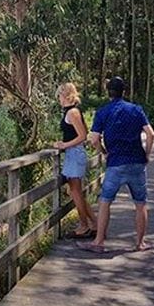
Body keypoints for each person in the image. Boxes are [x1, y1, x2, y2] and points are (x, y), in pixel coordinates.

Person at [77, 76, 154, 253]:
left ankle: (98, 242)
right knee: (141, 203)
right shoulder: (136, 110)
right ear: (124, 91)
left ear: (108, 92)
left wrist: (104, 152)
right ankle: (140, 243)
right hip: (137, 162)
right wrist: (147, 154)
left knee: (105, 202)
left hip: (115, 163)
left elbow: (94, 138)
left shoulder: (103, 112)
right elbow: (150, 135)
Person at [53, 83, 97, 238]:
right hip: (73, 154)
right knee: (76, 192)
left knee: (76, 192)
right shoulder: (71, 112)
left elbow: (82, 136)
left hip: (75, 154)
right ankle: (94, 223)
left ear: (64, 95)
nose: (58, 99)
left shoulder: (72, 112)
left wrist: (64, 144)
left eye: (59, 95)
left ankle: (84, 225)